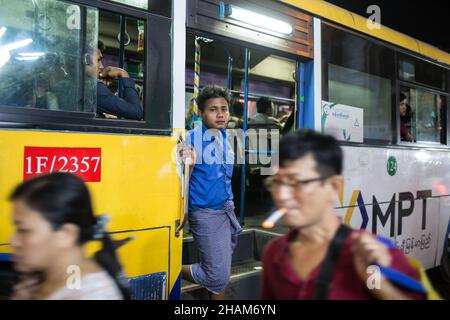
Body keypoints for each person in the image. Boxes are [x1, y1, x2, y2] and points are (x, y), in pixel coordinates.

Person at [262, 130, 425, 300]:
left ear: (334, 186)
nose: (282, 195)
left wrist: (378, 284)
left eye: (296, 182)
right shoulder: (274, 254)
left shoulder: (373, 255)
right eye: (277, 182)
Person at [9, 172, 130, 300]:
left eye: (24, 230)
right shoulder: (59, 277)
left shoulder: (92, 295)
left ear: (66, 234)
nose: (13, 242)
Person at [179, 85, 242, 300]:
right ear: (201, 113)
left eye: (224, 109)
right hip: (205, 213)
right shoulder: (190, 140)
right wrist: (183, 214)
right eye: (213, 109)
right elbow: (182, 180)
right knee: (216, 275)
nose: (221, 114)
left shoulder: (227, 138)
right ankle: (171, 268)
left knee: (220, 272)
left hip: (226, 210)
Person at [85, 40, 143, 120]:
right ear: (85, 61)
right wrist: (123, 73)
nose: (102, 66)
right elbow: (136, 113)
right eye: (98, 60)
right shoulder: (91, 90)